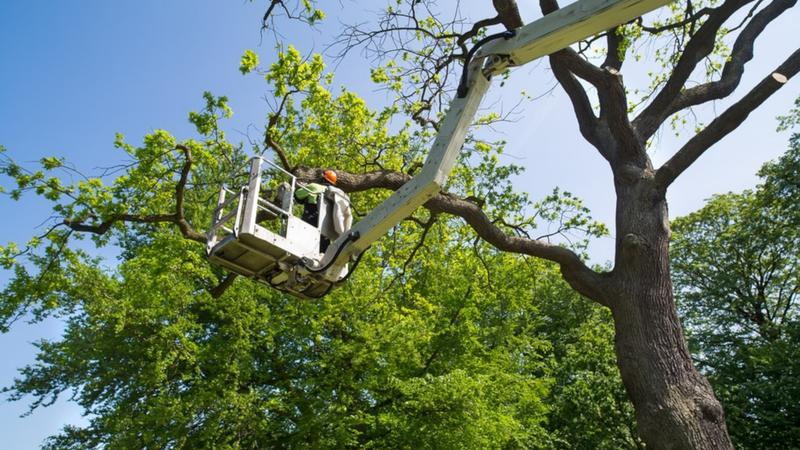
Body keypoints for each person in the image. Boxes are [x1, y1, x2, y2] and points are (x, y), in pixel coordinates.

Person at [294, 170, 352, 252]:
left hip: (309, 225)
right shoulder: (336, 195)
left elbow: (297, 196)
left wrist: (304, 186)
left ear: (322, 178)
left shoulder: (314, 187)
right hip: (325, 235)